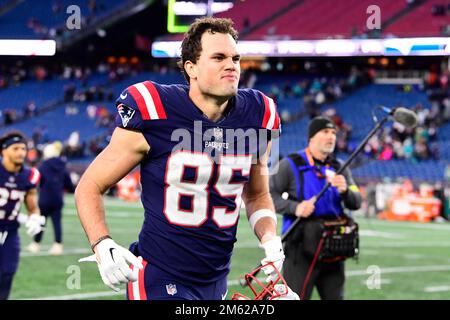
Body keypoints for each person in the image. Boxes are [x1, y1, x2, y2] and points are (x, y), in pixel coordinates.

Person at [76, 17, 290, 300]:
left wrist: (270, 239)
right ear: (191, 68)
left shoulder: (261, 114)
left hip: (216, 280)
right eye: (219, 57)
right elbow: (89, 184)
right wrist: (102, 244)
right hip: (158, 275)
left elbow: (257, 196)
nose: (232, 65)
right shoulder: (154, 108)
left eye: (235, 57)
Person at [269, 116, 362, 300]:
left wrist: (345, 191)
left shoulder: (340, 167)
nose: (331, 137)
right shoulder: (291, 163)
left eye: (334, 133)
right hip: (300, 248)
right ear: (311, 137)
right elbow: (268, 195)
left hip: (333, 248)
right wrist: (295, 207)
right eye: (325, 132)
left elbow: (356, 200)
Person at [0, 131, 44, 300]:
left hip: (10, 233)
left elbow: (32, 205)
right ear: (3, 151)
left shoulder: (29, 175)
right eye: (15, 148)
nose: (20, 152)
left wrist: (34, 217)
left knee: (7, 274)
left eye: (23, 149)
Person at [27, 141, 74, 255]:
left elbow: (36, 181)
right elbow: (68, 184)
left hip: (45, 198)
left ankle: (36, 244)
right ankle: (58, 245)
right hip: (58, 198)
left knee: (41, 222)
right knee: (57, 223)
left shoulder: (43, 165)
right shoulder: (62, 165)